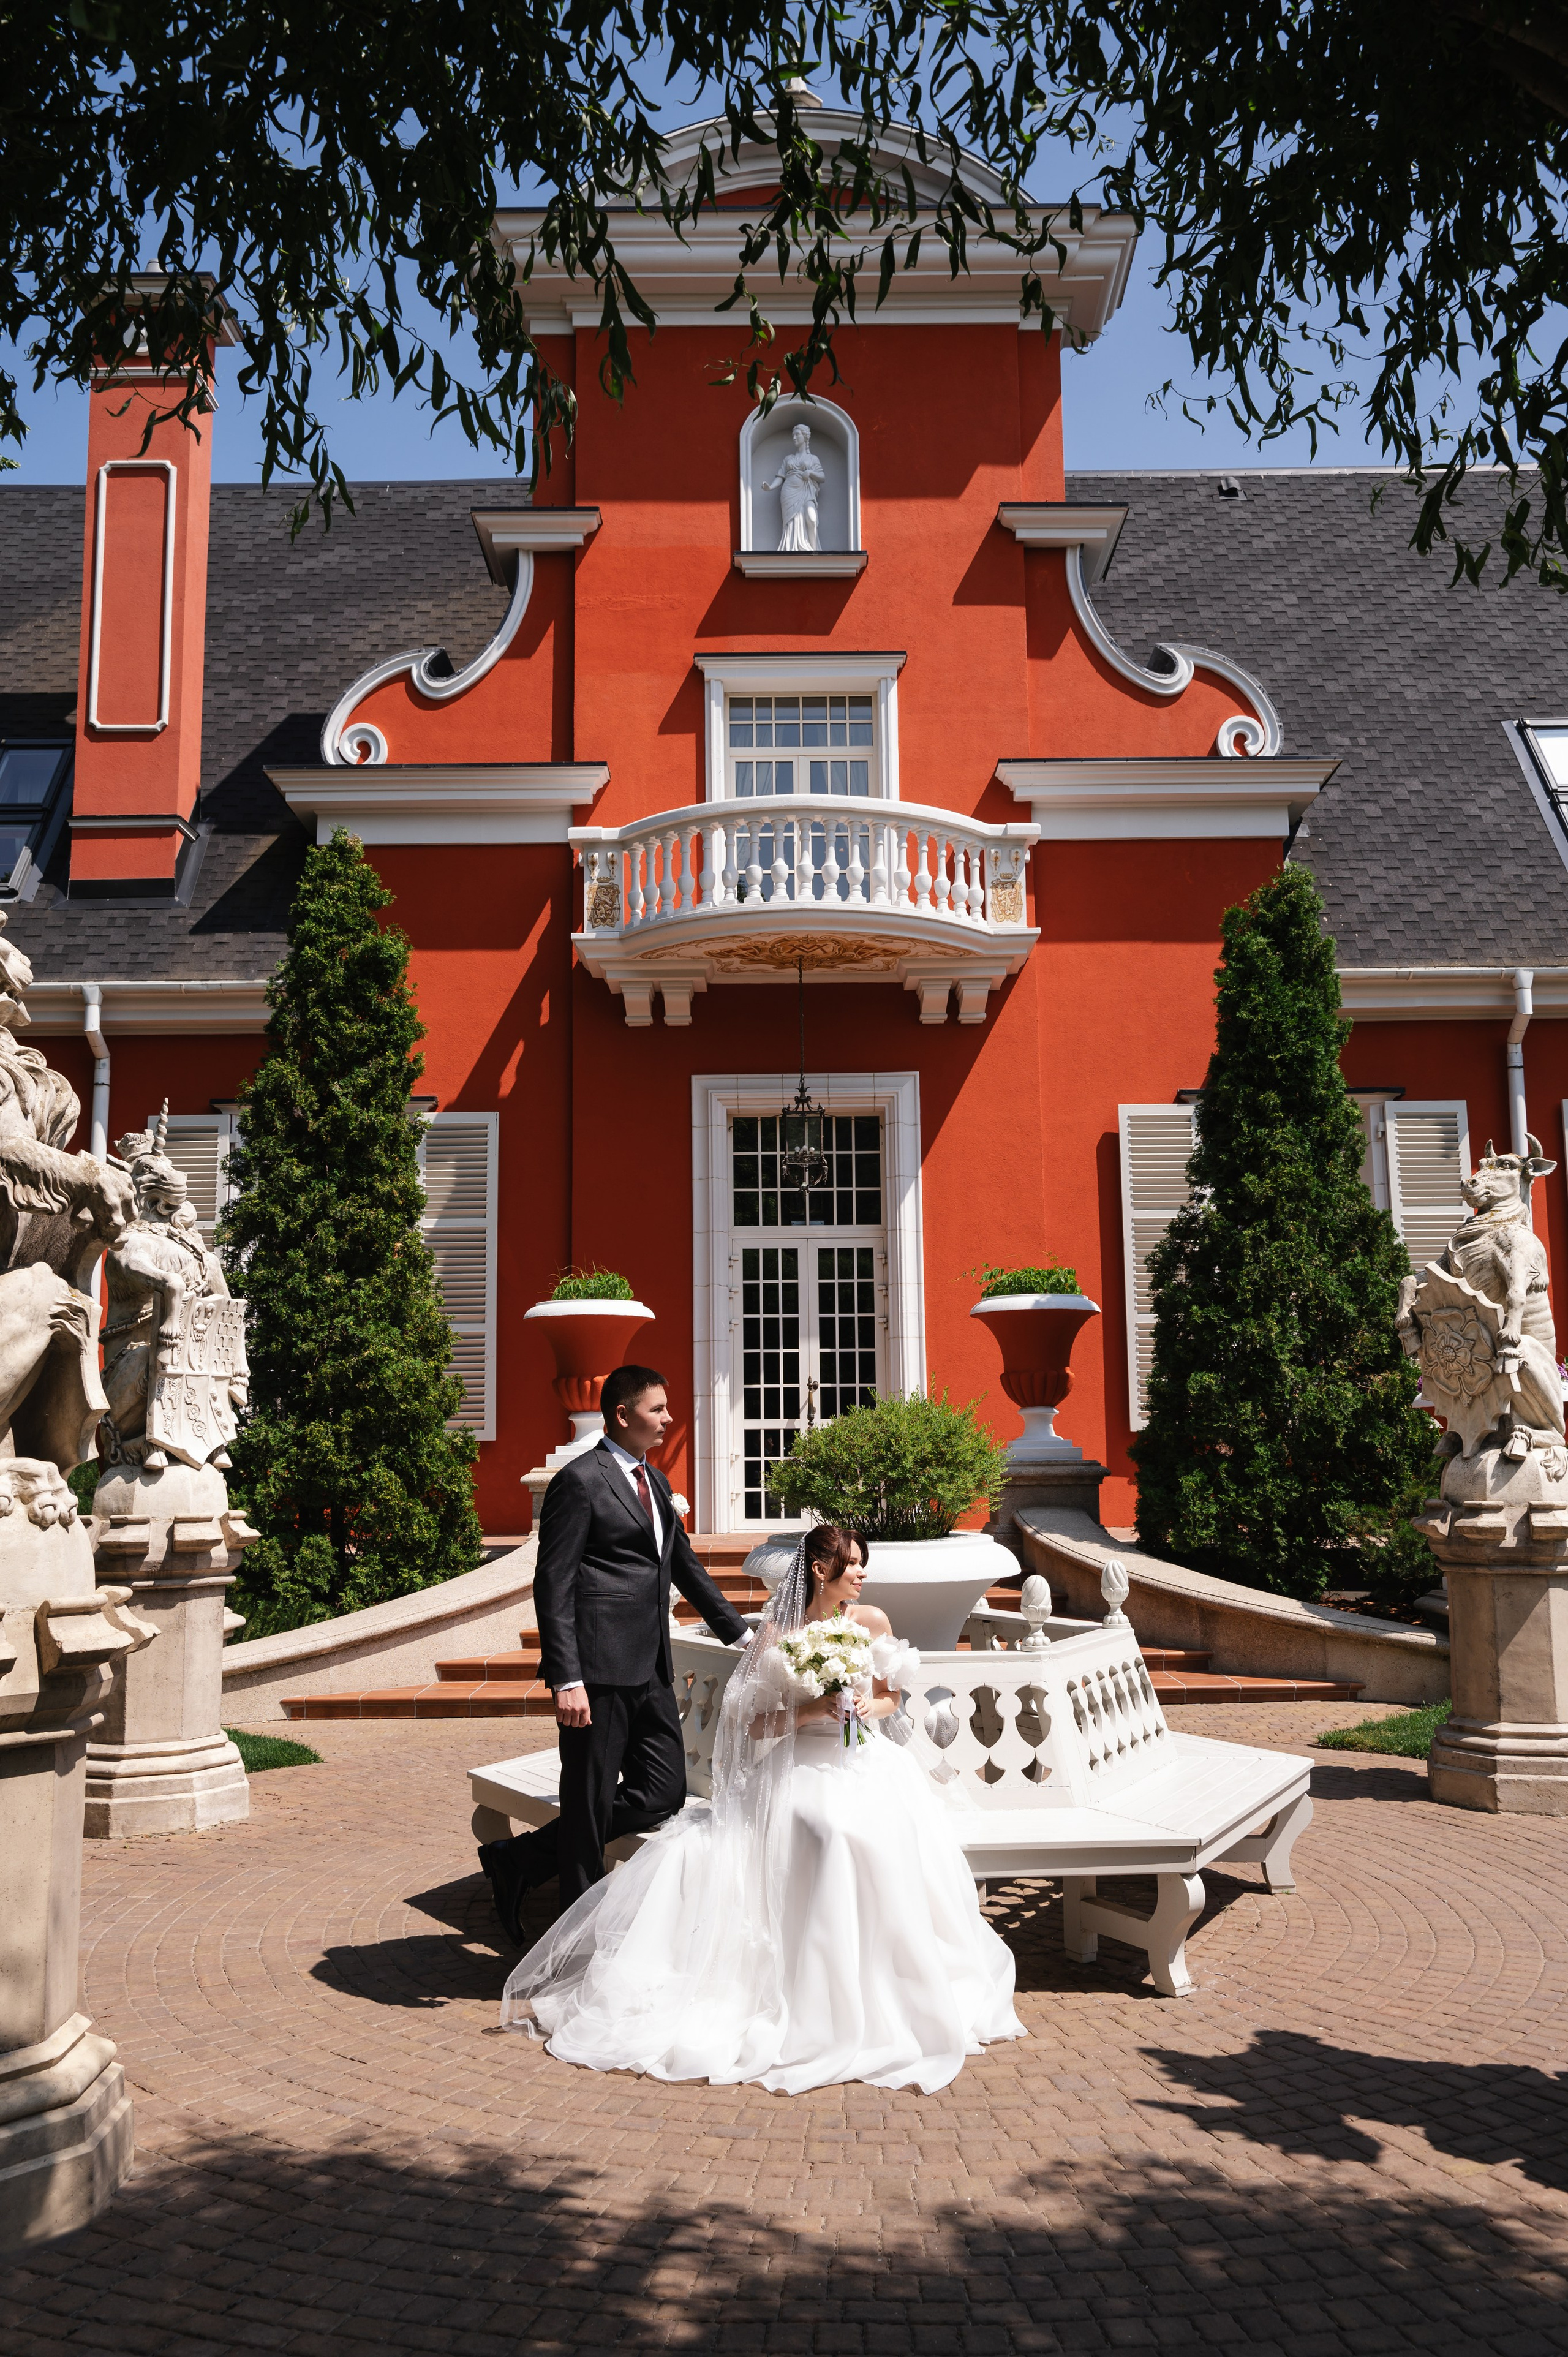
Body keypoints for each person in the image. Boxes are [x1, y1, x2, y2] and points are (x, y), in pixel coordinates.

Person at [500, 1524, 1025, 2094]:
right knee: (826, 1831)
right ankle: (813, 1993)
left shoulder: (872, 1623)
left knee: (878, 1831)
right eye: (854, 1564)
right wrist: (811, 1712)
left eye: (863, 1565)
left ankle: (888, 1984)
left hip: (865, 1761)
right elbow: (749, 1726)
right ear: (822, 1569)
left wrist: (863, 1708)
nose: (862, 1574)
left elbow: (890, 1697)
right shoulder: (778, 1635)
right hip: (797, 1766)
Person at [477, 1364, 750, 1937]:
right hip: (597, 1673)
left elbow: (683, 1566)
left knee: (663, 1790)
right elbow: (552, 1584)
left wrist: (744, 1636)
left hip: (651, 1667)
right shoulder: (579, 1482)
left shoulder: (652, 1481)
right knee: (588, 1804)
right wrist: (566, 1678)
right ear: (623, 1415)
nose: (668, 1419)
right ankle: (575, 1941)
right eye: (657, 1410)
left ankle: (520, 1861)